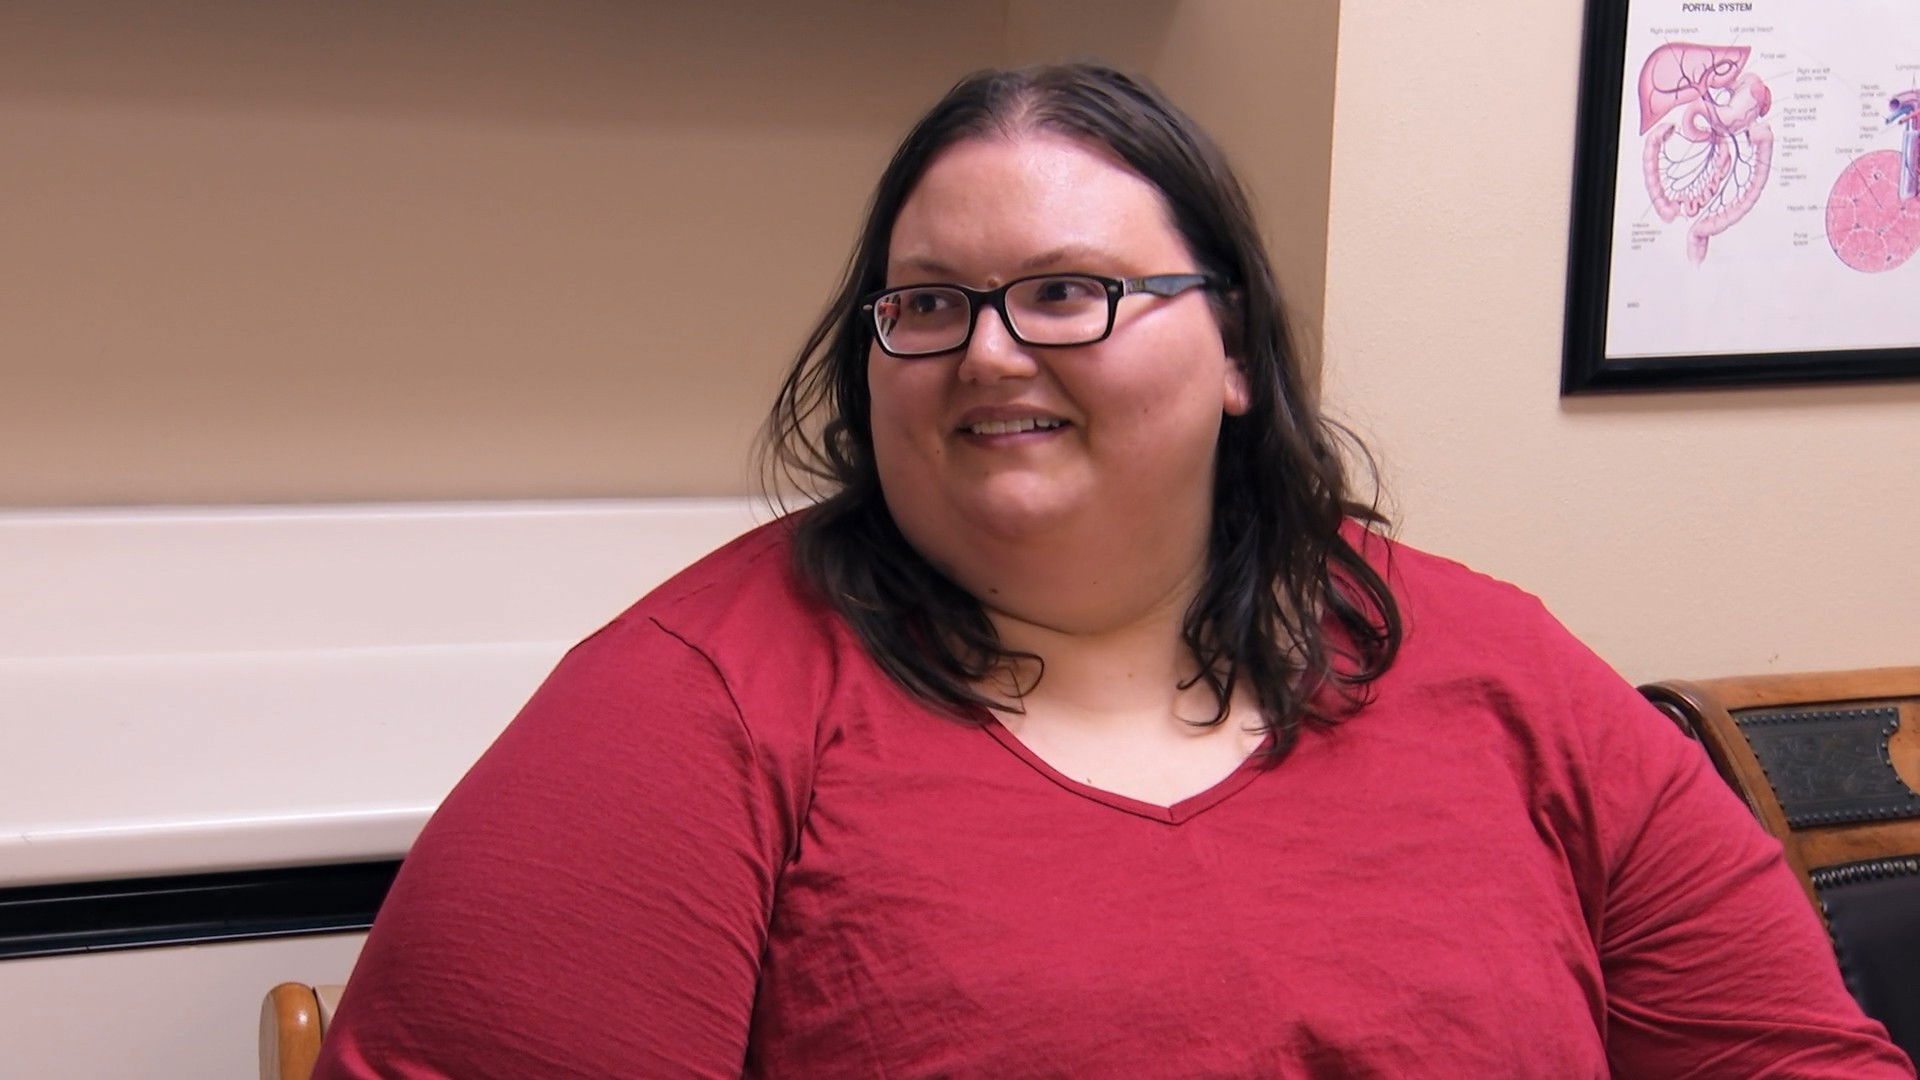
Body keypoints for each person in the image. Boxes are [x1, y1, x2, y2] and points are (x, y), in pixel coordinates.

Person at [312, 64, 1913, 1078]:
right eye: (927, 304)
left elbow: (1788, 1060)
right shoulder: (685, 712)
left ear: (1236, 353)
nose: (987, 351)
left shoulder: (1499, 668)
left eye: (1069, 291)